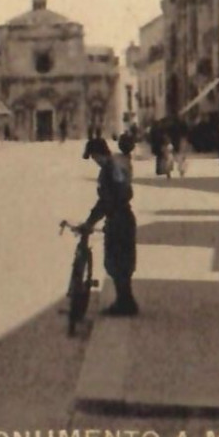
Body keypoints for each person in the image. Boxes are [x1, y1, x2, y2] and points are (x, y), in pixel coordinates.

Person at [74, 133, 139, 316]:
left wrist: (90, 222)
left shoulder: (110, 169)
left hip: (119, 219)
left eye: (94, 157)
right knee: (121, 263)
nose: (94, 161)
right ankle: (126, 301)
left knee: (117, 262)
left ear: (99, 153)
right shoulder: (116, 164)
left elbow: (107, 200)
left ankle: (125, 304)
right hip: (123, 217)